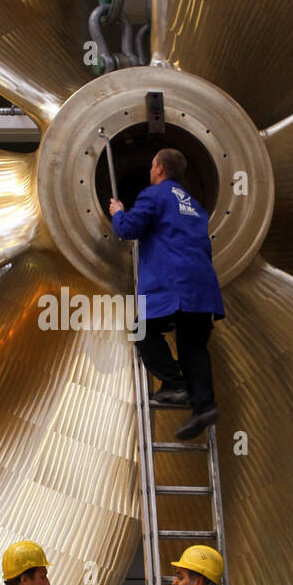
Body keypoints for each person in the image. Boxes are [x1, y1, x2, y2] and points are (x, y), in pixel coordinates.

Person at [109, 146, 223, 441]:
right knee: (193, 346)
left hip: (175, 284)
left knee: (142, 329)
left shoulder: (154, 195)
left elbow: (131, 229)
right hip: (202, 286)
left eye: (151, 167)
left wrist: (118, 214)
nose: (150, 172)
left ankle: (175, 383)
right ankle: (204, 406)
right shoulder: (195, 206)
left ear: (159, 168)